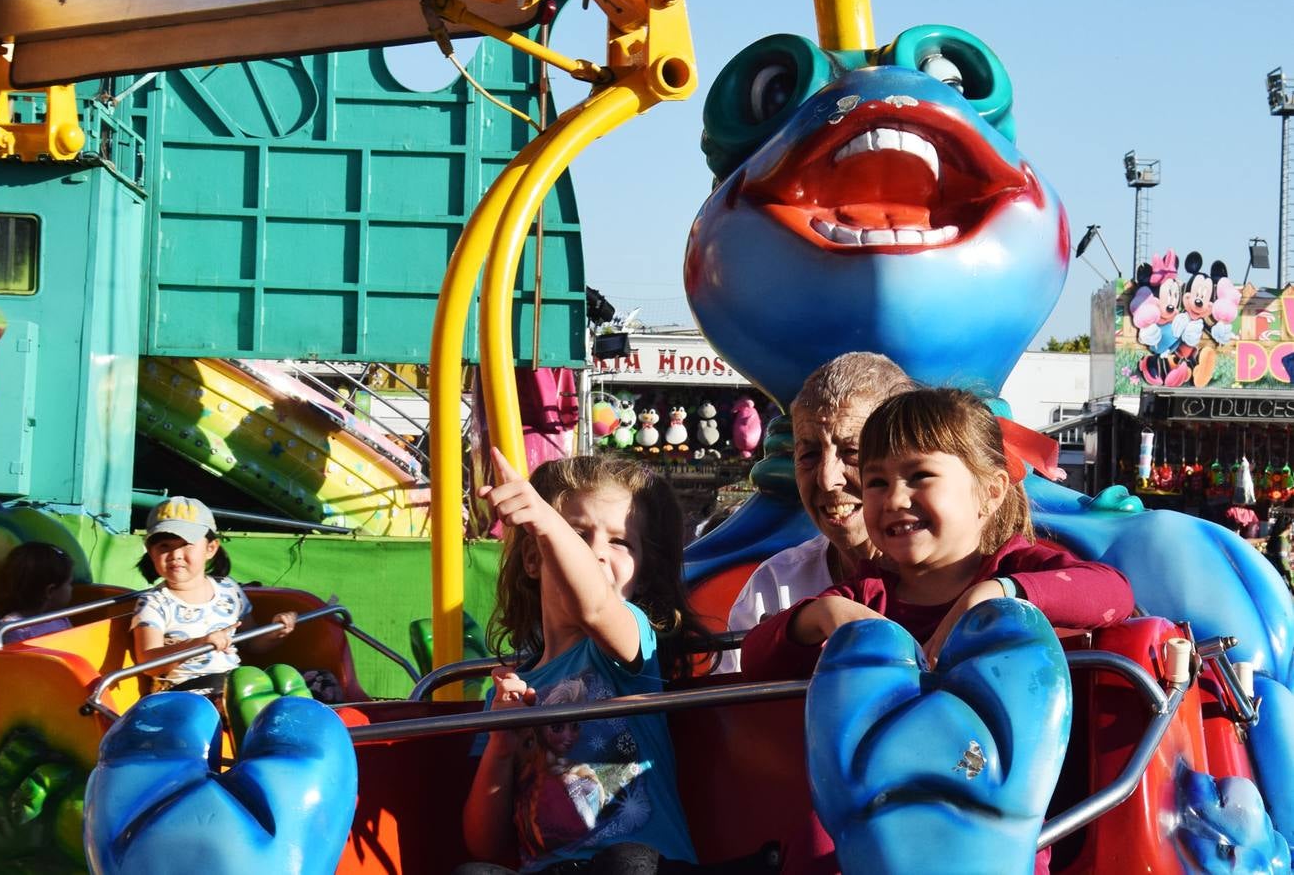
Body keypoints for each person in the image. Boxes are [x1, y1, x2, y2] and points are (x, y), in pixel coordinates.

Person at [744, 387, 1135, 679]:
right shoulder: (867, 594)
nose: (895, 499)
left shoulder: (1016, 566)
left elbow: (1113, 593)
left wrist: (996, 594)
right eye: (876, 481)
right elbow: (754, 659)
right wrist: (825, 614)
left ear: (991, 492)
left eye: (920, 477)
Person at [458, 449, 710, 874]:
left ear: (642, 574)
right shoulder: (508, 693)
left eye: (618, 541)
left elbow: (594, 606)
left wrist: (545, 522)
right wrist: (501, 745)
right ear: (534, 559)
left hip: (641, 866)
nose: (594, 554)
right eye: (577, 535)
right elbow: (484, 844)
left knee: (625, 863)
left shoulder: (628, 640)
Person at [716, 353, 915, 673]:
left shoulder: (964, 575)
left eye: (852, 452)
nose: (826, 478)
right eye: (808, 454)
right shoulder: (774, 585)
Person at [131, 497, 297, 700]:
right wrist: (198, 644)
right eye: (164, 546)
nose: (175, 554)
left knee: (315, 681)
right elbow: (148, 662)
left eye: (186, 545)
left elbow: (252, 644)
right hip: (187, 695)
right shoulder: (154, 602)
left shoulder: (229, 589)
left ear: (211, 548)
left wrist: (276, 632)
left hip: (234, 684)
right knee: (251, 702)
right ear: (150, 551)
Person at [0, 542, 75, 643]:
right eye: (70, 583)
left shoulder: (60, 618)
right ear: (50, 591)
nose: (72, 588)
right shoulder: (13, 629)